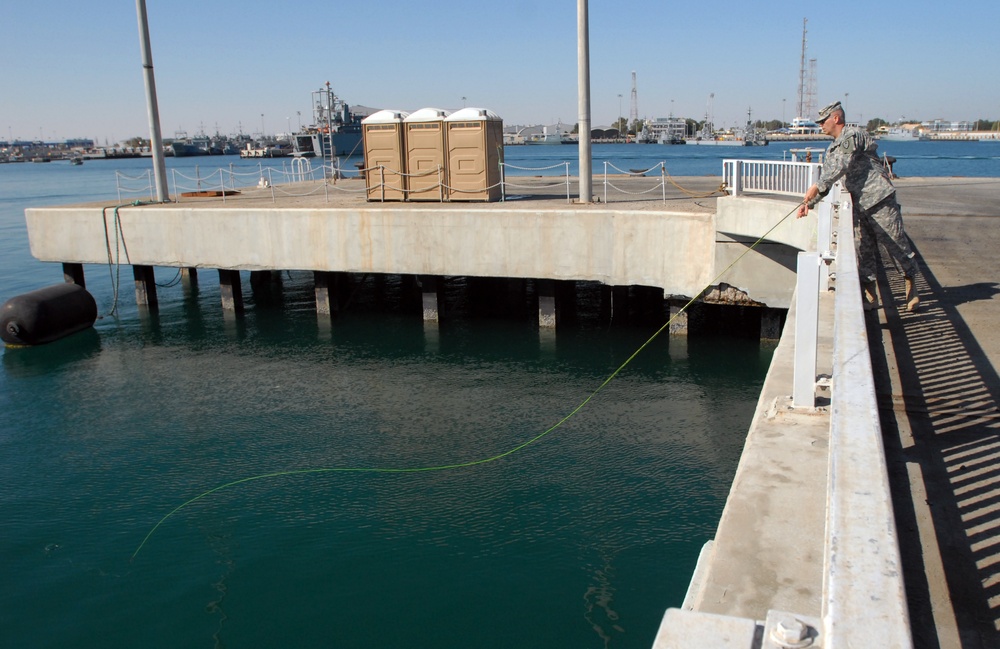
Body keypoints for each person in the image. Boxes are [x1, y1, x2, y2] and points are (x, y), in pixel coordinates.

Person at [797, 101, 920, 312]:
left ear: (835, 118)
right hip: (858, 204)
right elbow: (831, 178)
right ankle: (870, 295)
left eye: (823, 121)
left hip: (878, 198)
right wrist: (809, 203)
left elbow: (840, 166)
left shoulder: (851, 136)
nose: (820, 125)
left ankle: (910, 284)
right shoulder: (832, 148)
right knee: (864, 250)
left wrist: (816, 186)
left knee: (895, 244)